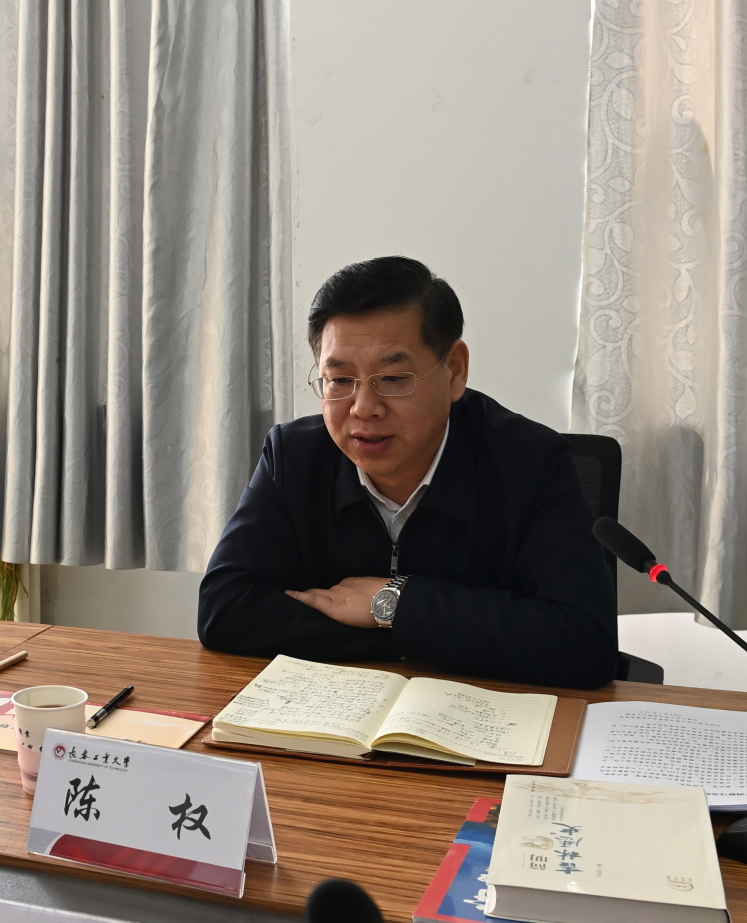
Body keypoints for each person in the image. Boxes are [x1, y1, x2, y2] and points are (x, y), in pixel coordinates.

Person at [197, 256, 617, 688]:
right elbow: (225, 610)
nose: (363, 408)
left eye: (393, 378)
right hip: (337, 708)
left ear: (455, 371)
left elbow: (584, 642)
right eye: (339, 381)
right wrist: (411, 637)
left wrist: (396, 604)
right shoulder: (293, 456)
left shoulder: (532, 463)